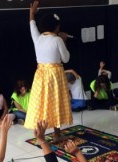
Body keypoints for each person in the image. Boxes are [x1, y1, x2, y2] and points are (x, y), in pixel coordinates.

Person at [24, 1, 73, 142]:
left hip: (40, 75)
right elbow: (66, 58)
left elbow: (32, 24)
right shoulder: (57, 40)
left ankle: (40, 135)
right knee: (55, 103)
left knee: (42, 104)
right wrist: (64, 41)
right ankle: (57, 134)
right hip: (55, 76)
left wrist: (31, 12)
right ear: (56, 27)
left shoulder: (37, 38)